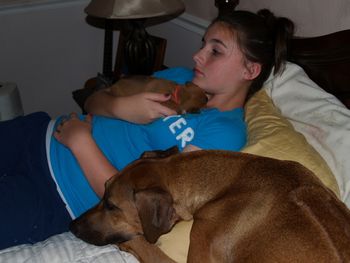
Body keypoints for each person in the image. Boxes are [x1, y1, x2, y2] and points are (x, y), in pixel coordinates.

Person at [0, 9, 294, 250]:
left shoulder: (224, 134)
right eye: (202, 44)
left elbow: (143, 210)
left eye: (215, 51)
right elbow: (93, 100)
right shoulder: (180, 78)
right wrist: (121, 107)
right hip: (39, 133)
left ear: (250, 71)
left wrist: (80, 142)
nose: (198, 56)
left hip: (57, 193)